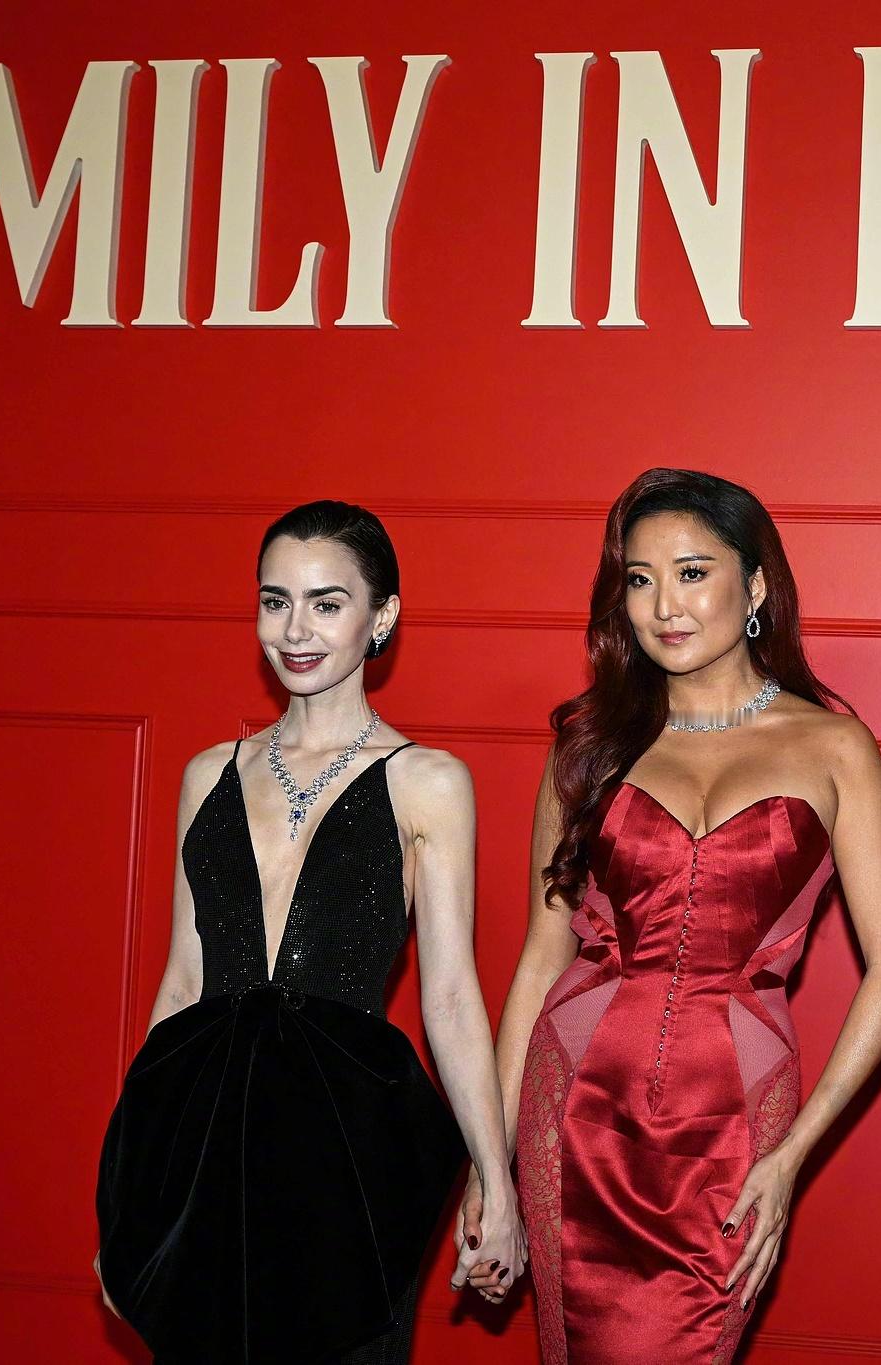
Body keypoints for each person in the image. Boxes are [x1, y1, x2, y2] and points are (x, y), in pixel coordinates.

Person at [459, 469, 881, 1361]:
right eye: (640, 579)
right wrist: (491, 1163)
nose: (664, 606)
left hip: (736, 1121)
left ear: (754, 587)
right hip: (573, 1106)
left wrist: (791, 1157)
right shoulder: (588, 745)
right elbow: (540, 960)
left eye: (691, 572)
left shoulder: (832, 745)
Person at [95, 499, 524, 1363]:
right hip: (207, 1146)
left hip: (347, 1153)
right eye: (275, 600)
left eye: (327, 603)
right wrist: (131, 1196)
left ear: (382, 617)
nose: (295, 629)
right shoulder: (207, 775)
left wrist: (497, 1180)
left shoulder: (428, 781)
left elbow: (449, 994)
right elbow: (183, 984)